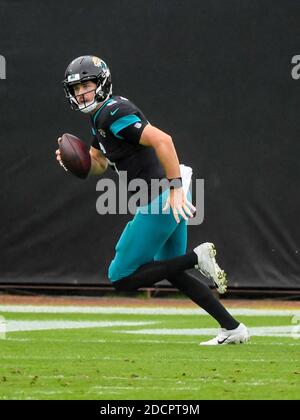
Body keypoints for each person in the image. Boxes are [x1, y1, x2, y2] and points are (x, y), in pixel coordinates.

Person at [56, 55, 249, 345]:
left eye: (86, 85)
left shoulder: (112, 113)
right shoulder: (100, 118)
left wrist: (173, 189)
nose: (81, 93)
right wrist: (75, 163)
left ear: (102, 83)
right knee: (170, 268)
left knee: (121, 277)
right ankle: (232, 328)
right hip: (166, 191)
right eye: (76, 89)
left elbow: (164, 140)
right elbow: (98, 163)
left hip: (161, 195)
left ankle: (198, 257)